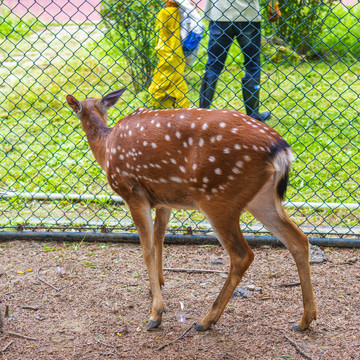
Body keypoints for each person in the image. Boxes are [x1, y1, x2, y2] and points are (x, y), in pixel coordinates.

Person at [200, 0, 271, 121]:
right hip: (247, 15)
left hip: (220, 12)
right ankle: (253, 115)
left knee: (213, 65)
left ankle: (201, 112)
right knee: (252, 64)